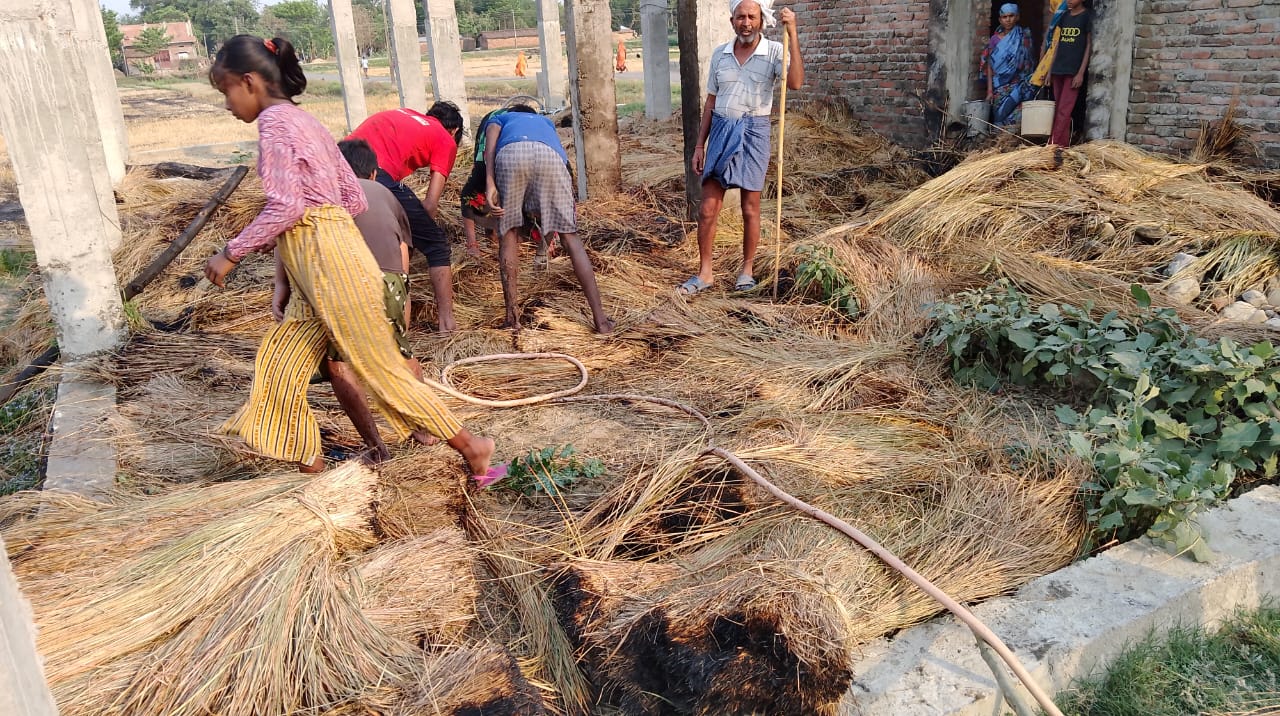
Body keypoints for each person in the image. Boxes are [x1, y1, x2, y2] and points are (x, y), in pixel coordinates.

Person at [202, 35, 501, 486]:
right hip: (320, 260)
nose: (227, 104)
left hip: (327, 259)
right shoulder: (308, 122)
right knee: (279, 367)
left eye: (226, 91)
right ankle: (313, 470)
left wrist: (231, 252)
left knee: (378, 367)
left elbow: (287, 208)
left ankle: (472, 446)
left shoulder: (275, 127)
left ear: (249, 81)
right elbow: (351, 199)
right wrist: (294, 273)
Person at [678, 0, 803, 296]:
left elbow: (796, 83)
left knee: (750, 207)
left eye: (752, 17)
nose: (746, 22)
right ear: (732, 20)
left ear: (761, 20)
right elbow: (711, 101)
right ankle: (704, 273)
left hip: (754, 130)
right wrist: (699, 145)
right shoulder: (720, 54)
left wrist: (793, 33)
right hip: (721, 128)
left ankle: (746, 271)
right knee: (708, 208)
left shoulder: (774, 50)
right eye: (740, 17)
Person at [483, 109, 614, 334]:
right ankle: (601, 320)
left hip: (511, 154)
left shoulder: (499, 118)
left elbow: (489, 151)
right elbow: (562, 157)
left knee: (508, 234)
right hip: (551, 158)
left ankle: (512, 318)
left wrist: (490, 183)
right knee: (570, 237)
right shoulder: (545, 122)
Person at [346, 103, 466, 333]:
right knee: (435, 244)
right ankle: (447, 322)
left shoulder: (409, 115)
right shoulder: (446, 139)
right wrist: (417, 232)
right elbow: (430, 204)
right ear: (454, 131)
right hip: (373, 170)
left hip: (340, 163)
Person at [980, 4, 1035, 127]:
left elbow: (1029, 63)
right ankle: (999, 140)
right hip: (999, 87)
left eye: (1011, 16)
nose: (1008, 19)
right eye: (1004, 17)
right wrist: (989, 91)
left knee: (1022, 113)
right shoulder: (994, 40)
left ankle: (1013, 139)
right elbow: (989, 66)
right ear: (1000, 19)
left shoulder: (1024, 37)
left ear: (1017, 17)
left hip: (1019, 84)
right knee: (999, 116)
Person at [1048, 0, 1091, 146]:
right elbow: (1058, 44)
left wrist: (1080, 73)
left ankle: (1053, 144)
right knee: (1057, 109)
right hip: (1058, 68)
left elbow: (1088, 46)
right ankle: (1061, 146)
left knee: (1064, 110)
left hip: (1073, 71)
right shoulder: (1064, 16)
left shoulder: (1086, 17)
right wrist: (1050, 70)